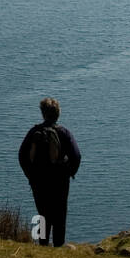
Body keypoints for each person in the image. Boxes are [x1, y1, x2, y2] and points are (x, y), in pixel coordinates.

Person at [18, 97, 81, 247]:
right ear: (58, 114)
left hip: (38, 179)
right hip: (60, 179)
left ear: (43, 113)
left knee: (42, 213)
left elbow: (22, 155)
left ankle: (42, 244)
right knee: (60, 213)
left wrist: (30, 175)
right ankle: (58, 245)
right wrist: (69, 172)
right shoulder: (64, 133)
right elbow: (76, 155)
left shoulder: (34, 131)